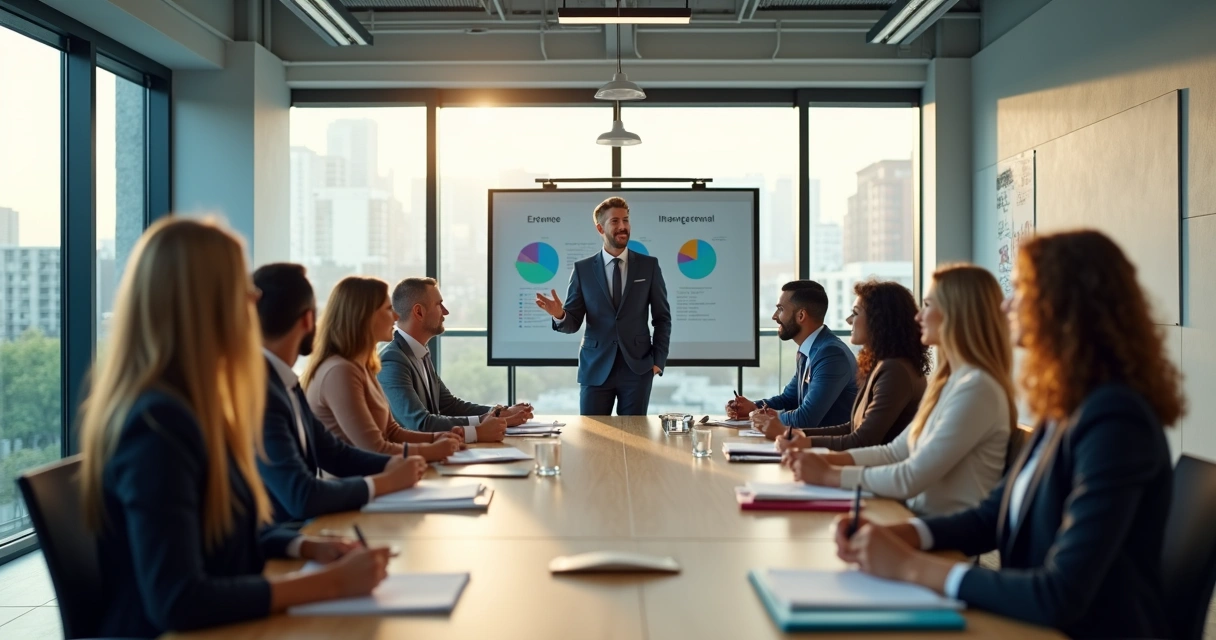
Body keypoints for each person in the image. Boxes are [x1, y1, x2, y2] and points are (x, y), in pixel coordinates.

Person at [832, 231, 1182, 639]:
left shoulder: (1116, 420)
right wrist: (907, 534)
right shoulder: (1067, 409)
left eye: (1019, 289)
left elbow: (1059, 593)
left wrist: (910, 566)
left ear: (1063, 305)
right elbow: (992, 516)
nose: (1005, 304)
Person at [78, 218, 388, 638]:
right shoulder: (157, 425)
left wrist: (306, 546)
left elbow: (228, 534)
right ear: (204, 306)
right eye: (243, 288)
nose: (256, 298)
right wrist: (329, 583)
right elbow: (178, 600)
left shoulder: (196, 405)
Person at [785, 265, 1013, 517]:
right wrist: (822, 460)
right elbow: (895, 451)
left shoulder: (977, 388)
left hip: (933, 525)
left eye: (928, 305)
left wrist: (830, 473)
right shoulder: (950, 381)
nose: (918, 317)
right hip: (911, 512)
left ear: (957, 314)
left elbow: (910, 475)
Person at [254, 264, 433, 523]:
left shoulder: (286, 384)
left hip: (307, 530)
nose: (395, 316)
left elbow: (334, 453)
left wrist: (392, 466)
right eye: (386, 309)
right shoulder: (269, 391)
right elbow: (302, 495)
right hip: (299, 532)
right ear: (307, 320)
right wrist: (386, 480)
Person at [535, 196, 672, 416]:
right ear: (600, 228)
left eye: (626, 220)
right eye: (615, 221)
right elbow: (573, 323)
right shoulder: (583, 269)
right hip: (595, 367)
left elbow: (662, 318)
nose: (623, 226)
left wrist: (658, 361)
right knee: (592, 437)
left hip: (637, 369)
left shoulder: (649, 267)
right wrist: (559, 314)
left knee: (634, 439)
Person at [303, 276, 470, 455]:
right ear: (364, 316)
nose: (397, 316)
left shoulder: (363, 366)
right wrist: (433, 450)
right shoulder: (340, 371)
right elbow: (374, 448)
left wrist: (435, 438)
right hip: (359, 480)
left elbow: (392, 432)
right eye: (389, 309)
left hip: (382, 474)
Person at [771, 280, 929, 451]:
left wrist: (803, 440)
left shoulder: (895, 370)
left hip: (877, 471)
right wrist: (798, 435)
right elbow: (852, 426)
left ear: (879, 319)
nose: (848, 320)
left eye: (855, 313)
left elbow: (863, 440)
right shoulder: (885, 364)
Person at [379, 276, 529, 442]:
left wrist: (498, 413)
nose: (446, 311)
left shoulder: (419, 352)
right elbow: (420, 423)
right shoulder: (393, 360)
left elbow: (448, 405)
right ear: (419, 312)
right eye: (439, 304)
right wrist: (482, 424)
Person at [728, 280, 858, 431]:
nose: (774, 316)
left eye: (780, 309)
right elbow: (789, 399)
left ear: (801, 315)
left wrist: (762, 416)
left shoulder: (831, 354)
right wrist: (753, 407)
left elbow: (806, 418)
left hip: (829, 450)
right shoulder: (810, 349)